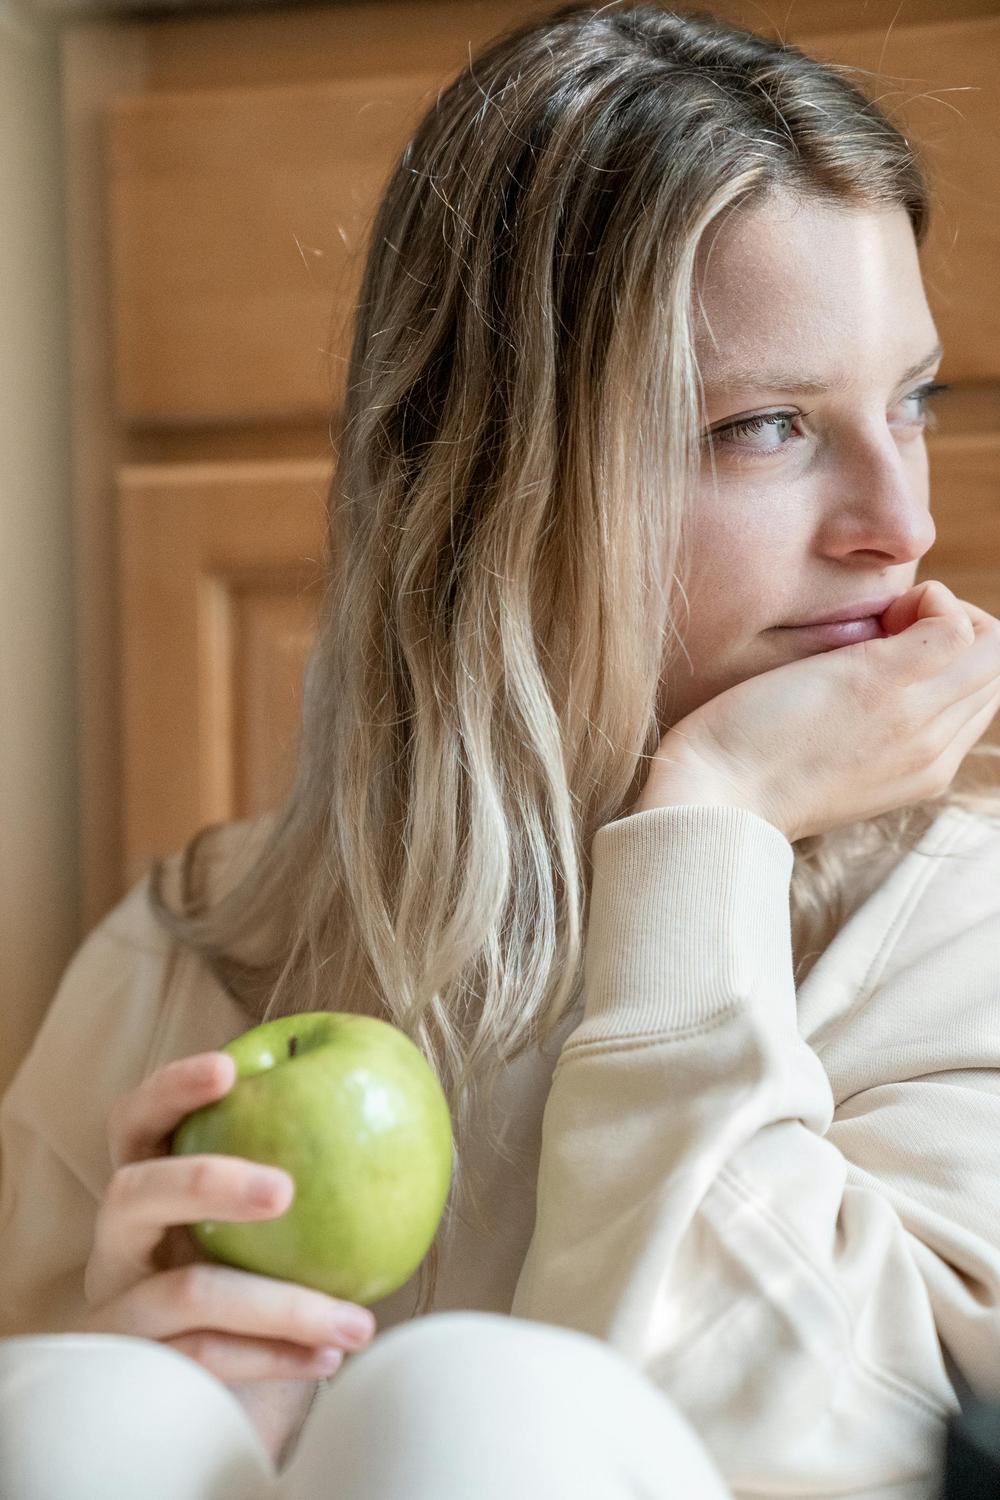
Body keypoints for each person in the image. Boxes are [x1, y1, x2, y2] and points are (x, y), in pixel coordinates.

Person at [2, 2, 1000, 1496]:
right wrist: (136, 1379)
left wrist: (706, 829)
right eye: (768, 427)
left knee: (474, 1406)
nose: (901, 526)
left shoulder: (955, 931)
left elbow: (794, 1456)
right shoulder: (189, 964)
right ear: (489, 483)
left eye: (908, 401)